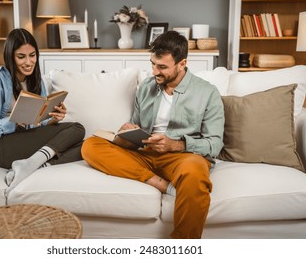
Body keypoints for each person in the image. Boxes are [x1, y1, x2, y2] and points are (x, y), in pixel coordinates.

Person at [81, 31, 224, 238]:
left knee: (195, 174)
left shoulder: (207, 93)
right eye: (153, 64)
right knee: (91, 145)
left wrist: (174, 145)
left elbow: (215, 144)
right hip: (144, 152)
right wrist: (128, 130)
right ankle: (161, 184)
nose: (155, 71)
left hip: (182, 157)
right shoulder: (147, 87)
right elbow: (139, 126)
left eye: (162, 67)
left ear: (182, 63)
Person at [0, 28, 85, 195]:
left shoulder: (36, 81)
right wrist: (12, 123)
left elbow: (36, 124)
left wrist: (52, 119)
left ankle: (36, 165)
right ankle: (32, 164)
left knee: (85, 146)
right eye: (21, 56)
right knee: (77, 128)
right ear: (10, 57)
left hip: (22, 142)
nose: (28, 62)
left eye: (32, 55)